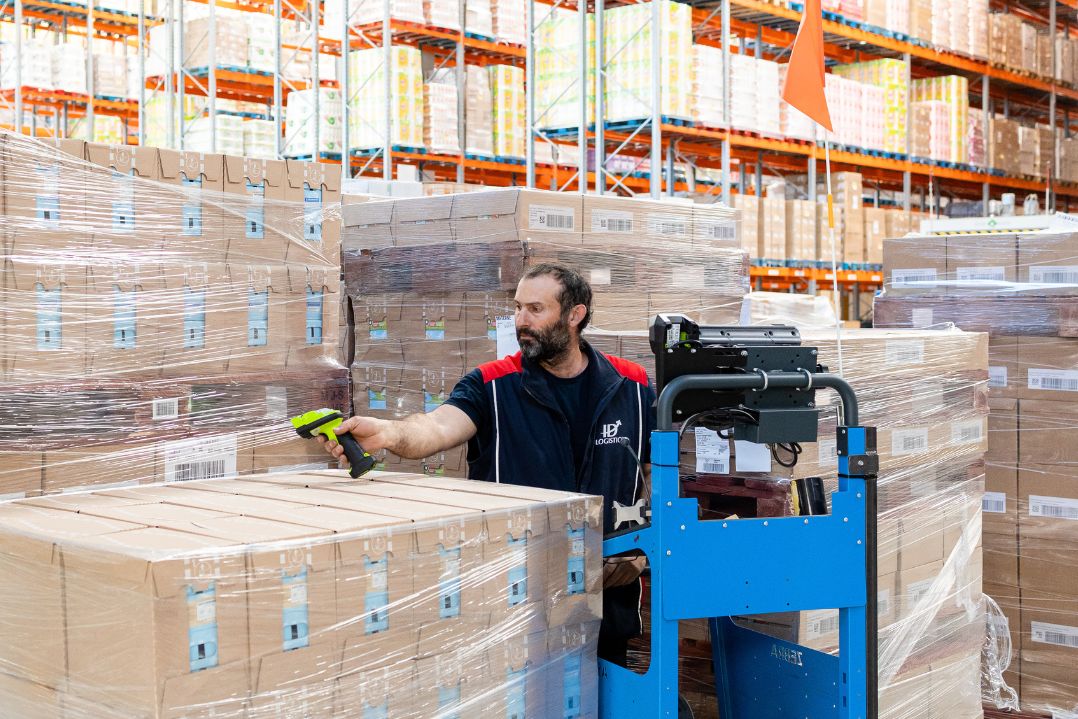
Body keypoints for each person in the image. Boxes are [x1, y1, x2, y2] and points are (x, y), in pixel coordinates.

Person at [320, 263, 657, 666]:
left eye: (535, 309)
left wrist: (645, 539)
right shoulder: (492, 385)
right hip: (515, 594)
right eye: (517, 308)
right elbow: (437, 427)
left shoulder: (631, 385)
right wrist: (390, 434)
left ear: (575, 315)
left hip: (606, 594)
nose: (521, 321)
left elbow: (654, 472)